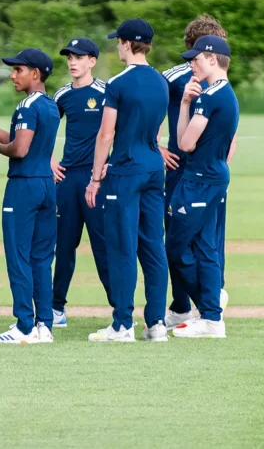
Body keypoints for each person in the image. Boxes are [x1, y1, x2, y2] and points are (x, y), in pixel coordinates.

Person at [86, 19, 169, 343]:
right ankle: (157, 323)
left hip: (126, 171)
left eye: (118, 42)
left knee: (121, 246)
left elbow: (106, 133)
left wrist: (95, 179)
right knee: (153, 246)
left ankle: (122, 324)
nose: (116, 47)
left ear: (126, 43)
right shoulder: (162, 82)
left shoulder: (118, 84)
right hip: (152, 167)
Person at [0, 48, 60, 344]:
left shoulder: (27, 106)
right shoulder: (50, 106)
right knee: (41, 258)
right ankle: (44, 325)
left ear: (35, 74)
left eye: (19, 70)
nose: (13, 75)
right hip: (46, 185)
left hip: (23, 186)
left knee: (18, 256)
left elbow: (19, 148)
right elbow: (20, 138)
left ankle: (24, 325)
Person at [160, 15, 230, 329]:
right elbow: (151, 109)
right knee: (187, 240)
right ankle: (185, 307)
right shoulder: (173, 77)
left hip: (204, 173)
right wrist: (156, 145)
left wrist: (218, 162)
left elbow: (226, 133)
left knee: (203, 242)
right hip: (185, 171)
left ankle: (209, 308)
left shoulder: (217, 87)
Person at [51, 38, 111, 328]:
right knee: (63, 245)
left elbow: (120, 130)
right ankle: (56, 309)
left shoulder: (105, 93)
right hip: (68, 179)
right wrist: (49, 160)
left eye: (79, 57)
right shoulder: (62, 95)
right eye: (69, 57)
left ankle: (120, 309)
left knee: (103, 244)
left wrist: (110, 163)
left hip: (97, 178)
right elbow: (43, 127)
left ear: (92, 61)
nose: (73, 62)